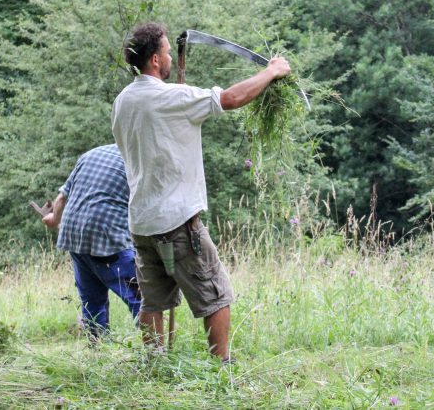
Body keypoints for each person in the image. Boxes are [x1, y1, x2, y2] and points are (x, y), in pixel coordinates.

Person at [111, 22, 292, 362]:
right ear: (154, 61)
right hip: (177, 219)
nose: (168, 57)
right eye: (165, 52)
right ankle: (221, 367)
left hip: (142, 221)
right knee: (215, 292)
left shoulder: (123, 102)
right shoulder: (171, 97)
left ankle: (155, 364)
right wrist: (272, 72)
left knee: (154, 300)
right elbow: (231, 98)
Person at [42, 144, 141, 340]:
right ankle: (155, 352)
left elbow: (61, 198)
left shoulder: (91, 154)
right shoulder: (139, 159)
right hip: (107, 235)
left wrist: (54, 220)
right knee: (142, 297)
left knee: (92, 300)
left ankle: (98, 352)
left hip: (74, 234)